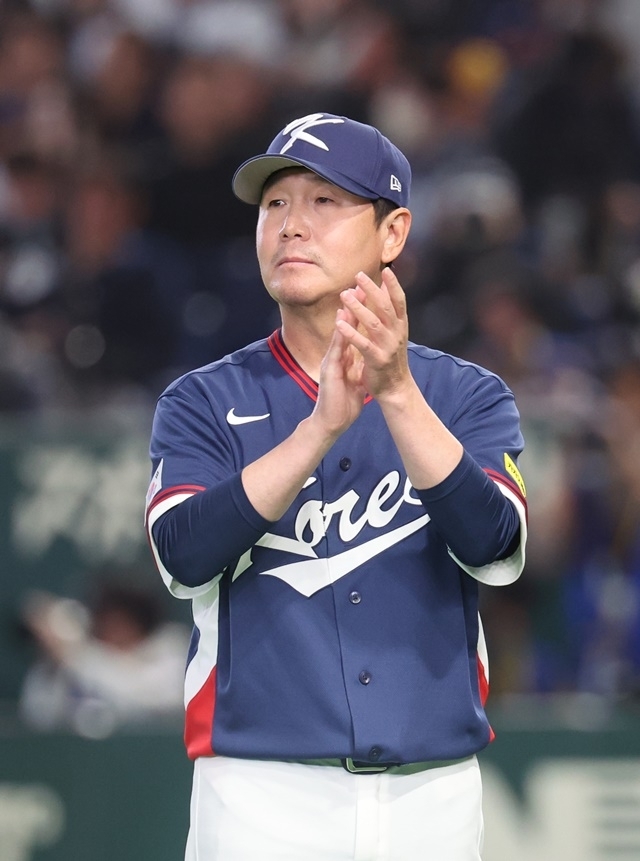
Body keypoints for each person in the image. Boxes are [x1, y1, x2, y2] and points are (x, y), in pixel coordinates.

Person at [146, 112, 528, 861]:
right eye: (275, 204)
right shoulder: (200, 399)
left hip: (432, 796)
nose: (292, 225)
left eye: (325, 201)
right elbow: (181, 557)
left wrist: (397, 393)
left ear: (393, 234)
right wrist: (317, 429)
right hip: (260, 795)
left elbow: (497, 548)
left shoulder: (466, 396)